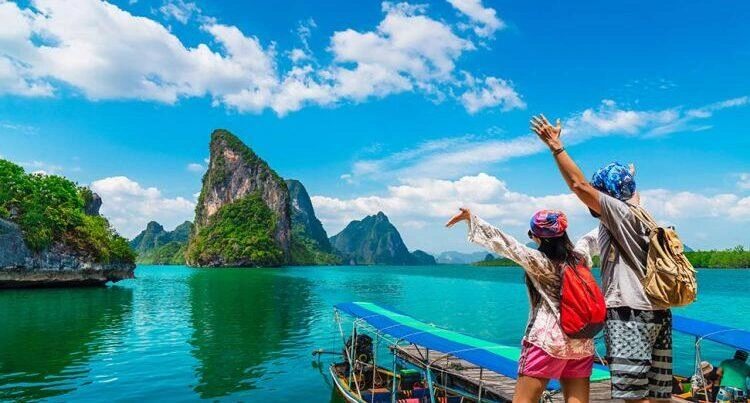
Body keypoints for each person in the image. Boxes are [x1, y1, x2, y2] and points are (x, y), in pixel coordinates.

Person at [530, 115, 672, 402]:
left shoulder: (619, 214)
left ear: (608, 195)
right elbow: (627, 191)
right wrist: (628, 175)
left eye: (600, 192)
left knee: (632, 396)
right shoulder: (642, 215)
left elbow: (579, 185)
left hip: (629, 315)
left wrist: (556, 147)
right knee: (656, 395)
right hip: (659, 313)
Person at [446, 207, 598, 403]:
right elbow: (591, 238)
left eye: (531, 234)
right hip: (581, 340)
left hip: (547, 342)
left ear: (539, 238)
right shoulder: (580, 258)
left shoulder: (540, 262)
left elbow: (507, 244)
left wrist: (472, 219)